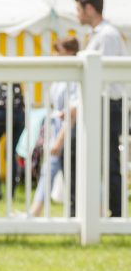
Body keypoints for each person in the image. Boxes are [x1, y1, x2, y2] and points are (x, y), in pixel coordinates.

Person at [68, 0, 127, 217]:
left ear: (89, 9)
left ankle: (116, 210)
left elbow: (102, 77)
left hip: (106, 104)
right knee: (84, 153)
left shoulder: (108, 35)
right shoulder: (99, 34)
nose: (77, 15)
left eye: (78, 10)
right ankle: (87, 208)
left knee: (107, 158)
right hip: (98, 103)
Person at [25, 37, 80, 217]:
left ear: (70, 53)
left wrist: (58, 141)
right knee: (50, 171)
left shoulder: (74, 79)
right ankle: (35, 211)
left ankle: (35, 212)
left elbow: (72, 110)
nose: (56, 55)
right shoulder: (60, 78)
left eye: (59, 52)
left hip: (68, 133)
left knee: (67, 174)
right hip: (58, 130)